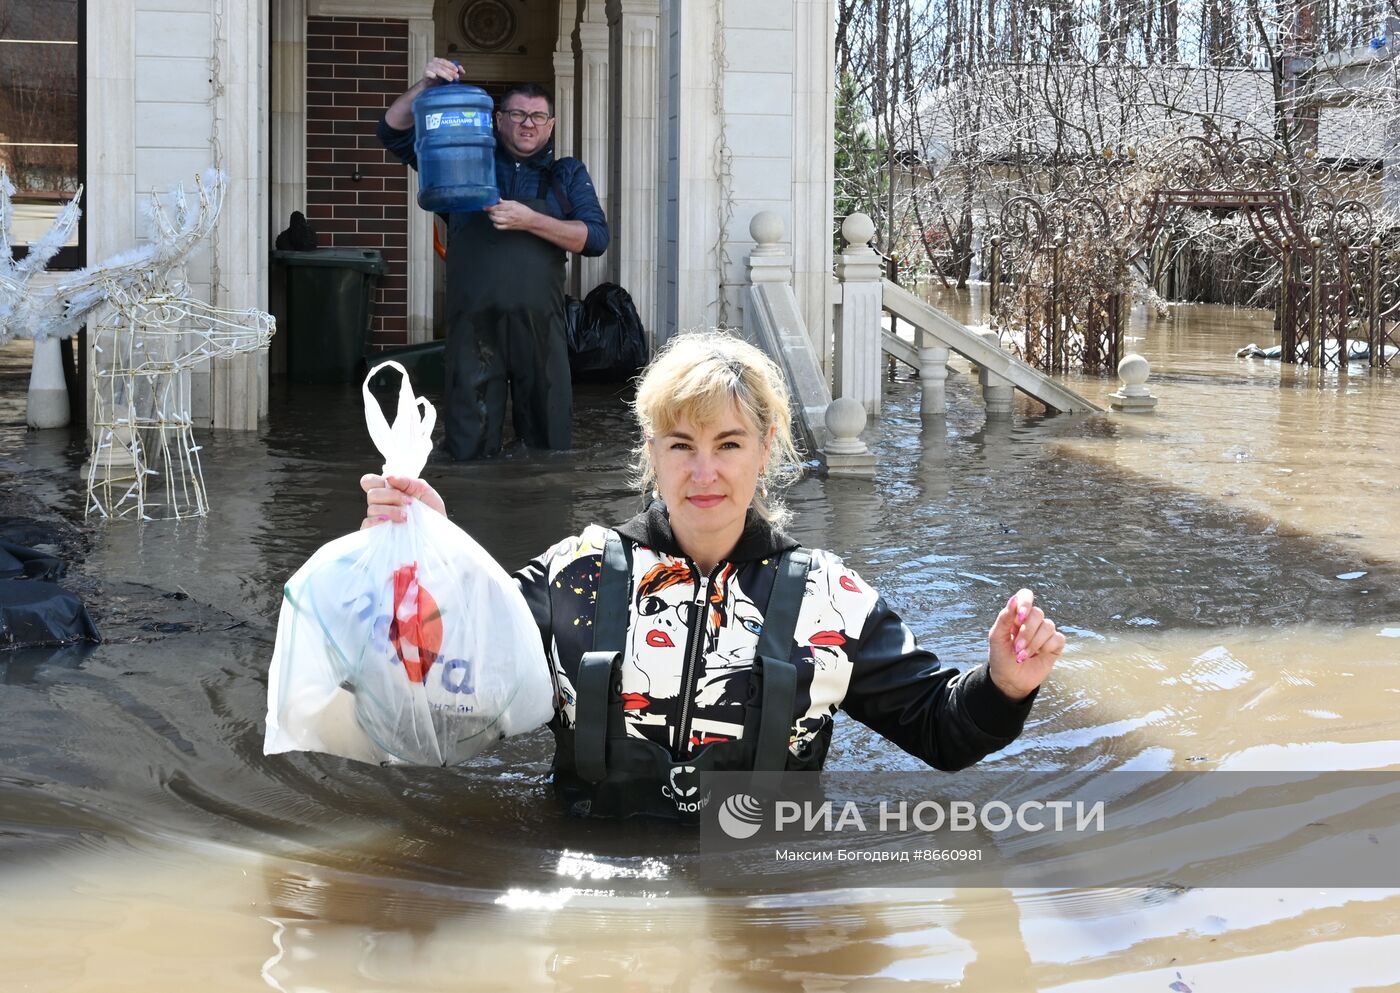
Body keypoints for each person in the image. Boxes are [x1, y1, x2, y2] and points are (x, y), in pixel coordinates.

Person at [361, 331, 1064, 819]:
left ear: (765, 450)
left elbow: (943, 730)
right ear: (653, 453)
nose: (704, 472)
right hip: (594, 881)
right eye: (681, 445)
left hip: (763, 896)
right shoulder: (574, 574)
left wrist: (1004, 681)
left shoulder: (830, 598)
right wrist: (418, 559)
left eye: (728, 444)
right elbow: (444, 682)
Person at [378, 59, 610, 460]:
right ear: (498, 119)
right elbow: (391, 132)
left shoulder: (565, 174)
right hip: (474, 327)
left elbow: (595, 238)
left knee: (549, 447)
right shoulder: (465, 163)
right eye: (518, 114)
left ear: (550, 125)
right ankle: (471, 508)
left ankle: (541, 514)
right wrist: (426, 86)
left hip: (541, 329)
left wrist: (531, 220)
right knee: (467, 448)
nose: (528, 124)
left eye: (538, 116)